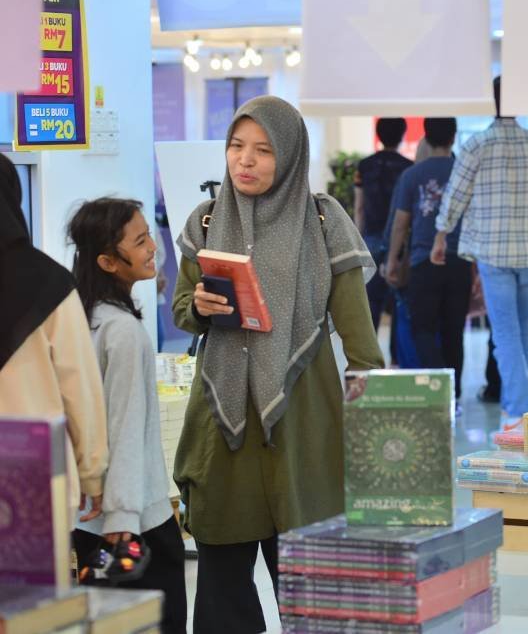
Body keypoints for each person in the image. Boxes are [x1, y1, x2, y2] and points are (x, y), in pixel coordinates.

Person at [172, 95, 384, 633]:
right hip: (224, 421)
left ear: (289, 155)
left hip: (303, 418)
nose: (245, 160)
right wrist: (198, 307)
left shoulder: (323, 220)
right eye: (237, 147)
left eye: (263, 150)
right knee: (222, 578)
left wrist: (380, 419)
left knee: (307, 578)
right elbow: (182, 310)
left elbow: (360, 339)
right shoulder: (207, 219)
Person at [432, 76, 528, 430]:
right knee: (521, 332)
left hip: (492, 252)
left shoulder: (475, 146)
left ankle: (517, 410)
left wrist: (441, 235)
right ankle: (520, 403)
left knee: (506, 334)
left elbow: (456, 196)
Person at [67, 198, 187, 632]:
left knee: (106, 622)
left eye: (147, 235)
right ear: (107, 261)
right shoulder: (122, 332)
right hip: (136, 527)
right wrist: (122, 519)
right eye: (139, 241)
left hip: (90, 522)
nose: (152, 246)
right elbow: (125, 427)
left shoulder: (83, 319)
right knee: (157, 623)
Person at [0, 153, 108, 531]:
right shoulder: (49, 283)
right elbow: (79, 386)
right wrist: (92, 472)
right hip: (33, 481)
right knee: (36, 592)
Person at [386, 118, 472, 399]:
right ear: (453, 137)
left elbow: (401, 223)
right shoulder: (465, 173)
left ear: (426, 136)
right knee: (454, 329)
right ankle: (454, 394)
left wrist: (392, 260)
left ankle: (438, 391)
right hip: (460, 261)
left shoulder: (412, 175)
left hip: (423, 262)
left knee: (423, 328)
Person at [354, 118, 413, 332]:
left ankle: (370, 356)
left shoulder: (365, 166)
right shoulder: (408, 168)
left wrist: (357, 243)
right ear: (402, 135)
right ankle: (397, 359)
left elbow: (359, 208)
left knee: (371, 301)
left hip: (370, 238)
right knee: (399, 301)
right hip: (399, 241)